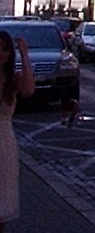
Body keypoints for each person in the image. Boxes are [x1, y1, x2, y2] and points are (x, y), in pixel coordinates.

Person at [0, 31, 35, 232]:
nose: (1, 54)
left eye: (5, 49)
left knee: (2, 203)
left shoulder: (13, 78)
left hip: (4, 145)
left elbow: (29, 90)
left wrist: (24, 54)